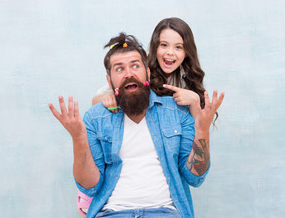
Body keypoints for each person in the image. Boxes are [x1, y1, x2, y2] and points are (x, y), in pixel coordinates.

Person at [49, 33, 224, 218]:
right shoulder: (95, 118)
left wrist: (202, 130)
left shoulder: (176, 112)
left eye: (135, 65)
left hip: (165, 212)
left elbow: (194, 178)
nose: (129, 74)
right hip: (113, 213)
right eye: (119, 69)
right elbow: (90, 186)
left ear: (147, 72)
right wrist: (78, 139)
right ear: (109, 81)